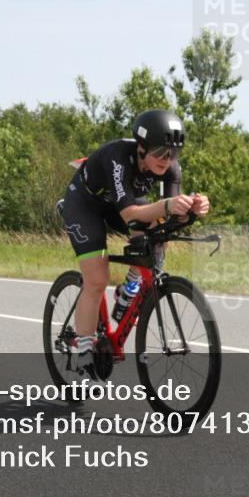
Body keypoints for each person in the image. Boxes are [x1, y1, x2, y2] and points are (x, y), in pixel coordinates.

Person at [59, 109, 210, 383]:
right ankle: (83, 355)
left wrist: (193, 210)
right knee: (96, 279)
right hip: (86, 206)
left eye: (173, 153)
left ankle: (128, 289)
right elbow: (129, 214)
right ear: (141, 148)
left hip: (119, 204)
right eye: (161, 152)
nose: (167, 160)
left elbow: (170, 215)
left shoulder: (171, 168)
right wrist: (167, 205)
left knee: (158, 233)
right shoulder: (119, 159)